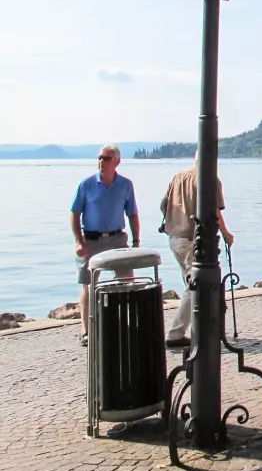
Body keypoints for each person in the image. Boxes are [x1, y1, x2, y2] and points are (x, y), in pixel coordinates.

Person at [159, 153, 235, 348]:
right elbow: (215, 212)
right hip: (194, 239)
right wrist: (226, 233)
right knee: (195, 285)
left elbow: (163, 205)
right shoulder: (210, 180)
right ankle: (176, 333)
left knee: (190, 283)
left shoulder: (178, 177)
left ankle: (199, 327)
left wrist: (175, 219)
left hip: (174, 236)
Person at [70, 144, 141, 347]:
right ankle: (86, 329)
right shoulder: (87, 184)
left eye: (107, 158)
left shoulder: (126, 185)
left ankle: (126, 325)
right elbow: (74, 213)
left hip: (118, 239)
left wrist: (136, 242)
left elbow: (133, 214)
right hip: (91, 240)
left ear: (117, 162)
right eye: (100, 157)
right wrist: (78, 240)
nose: (102, 161)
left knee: (126, 282)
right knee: (88, 284)